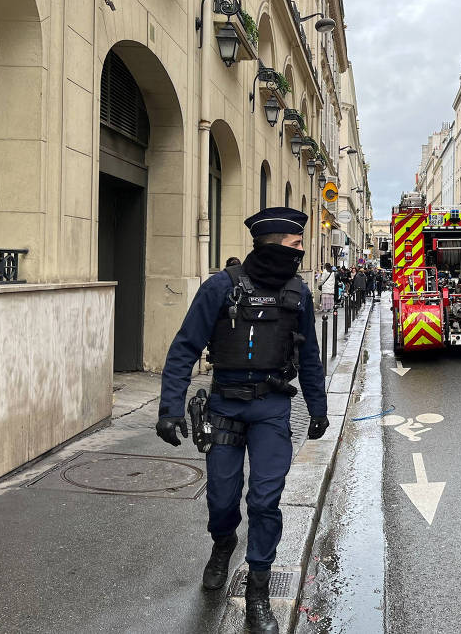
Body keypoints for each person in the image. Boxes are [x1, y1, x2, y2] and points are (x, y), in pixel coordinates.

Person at [155, 207, 330, 633]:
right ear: (271, 243)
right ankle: (223, 542)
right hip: (225, 407)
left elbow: (309, 357)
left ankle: (258, 590)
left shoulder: (298, 294)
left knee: (265, 500)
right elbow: (184, 347)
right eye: (295, 245)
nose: (301, 250)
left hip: (272, 407)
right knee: (220, 499)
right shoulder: (220, 288)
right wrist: (169, 408)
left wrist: (319, 407)